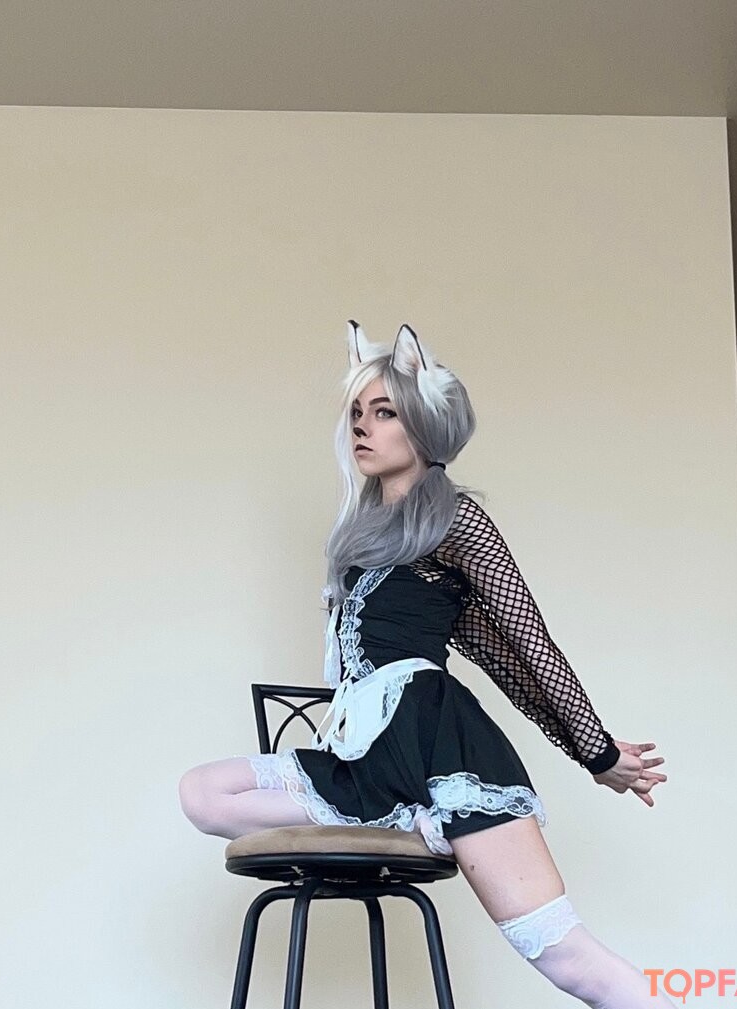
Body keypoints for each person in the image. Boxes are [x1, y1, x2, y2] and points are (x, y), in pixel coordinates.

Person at [180, 321, 672, 1007]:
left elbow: (523, 650)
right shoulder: (367, 535)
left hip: (442, 751)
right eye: (357, 412)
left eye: (384, 412)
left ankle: (416, 815)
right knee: (202, 793)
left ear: (424, 423)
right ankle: (398, 820)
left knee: (569, 960)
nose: (363, 426)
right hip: (365, 761)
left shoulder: (457, 521)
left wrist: (595, 751)